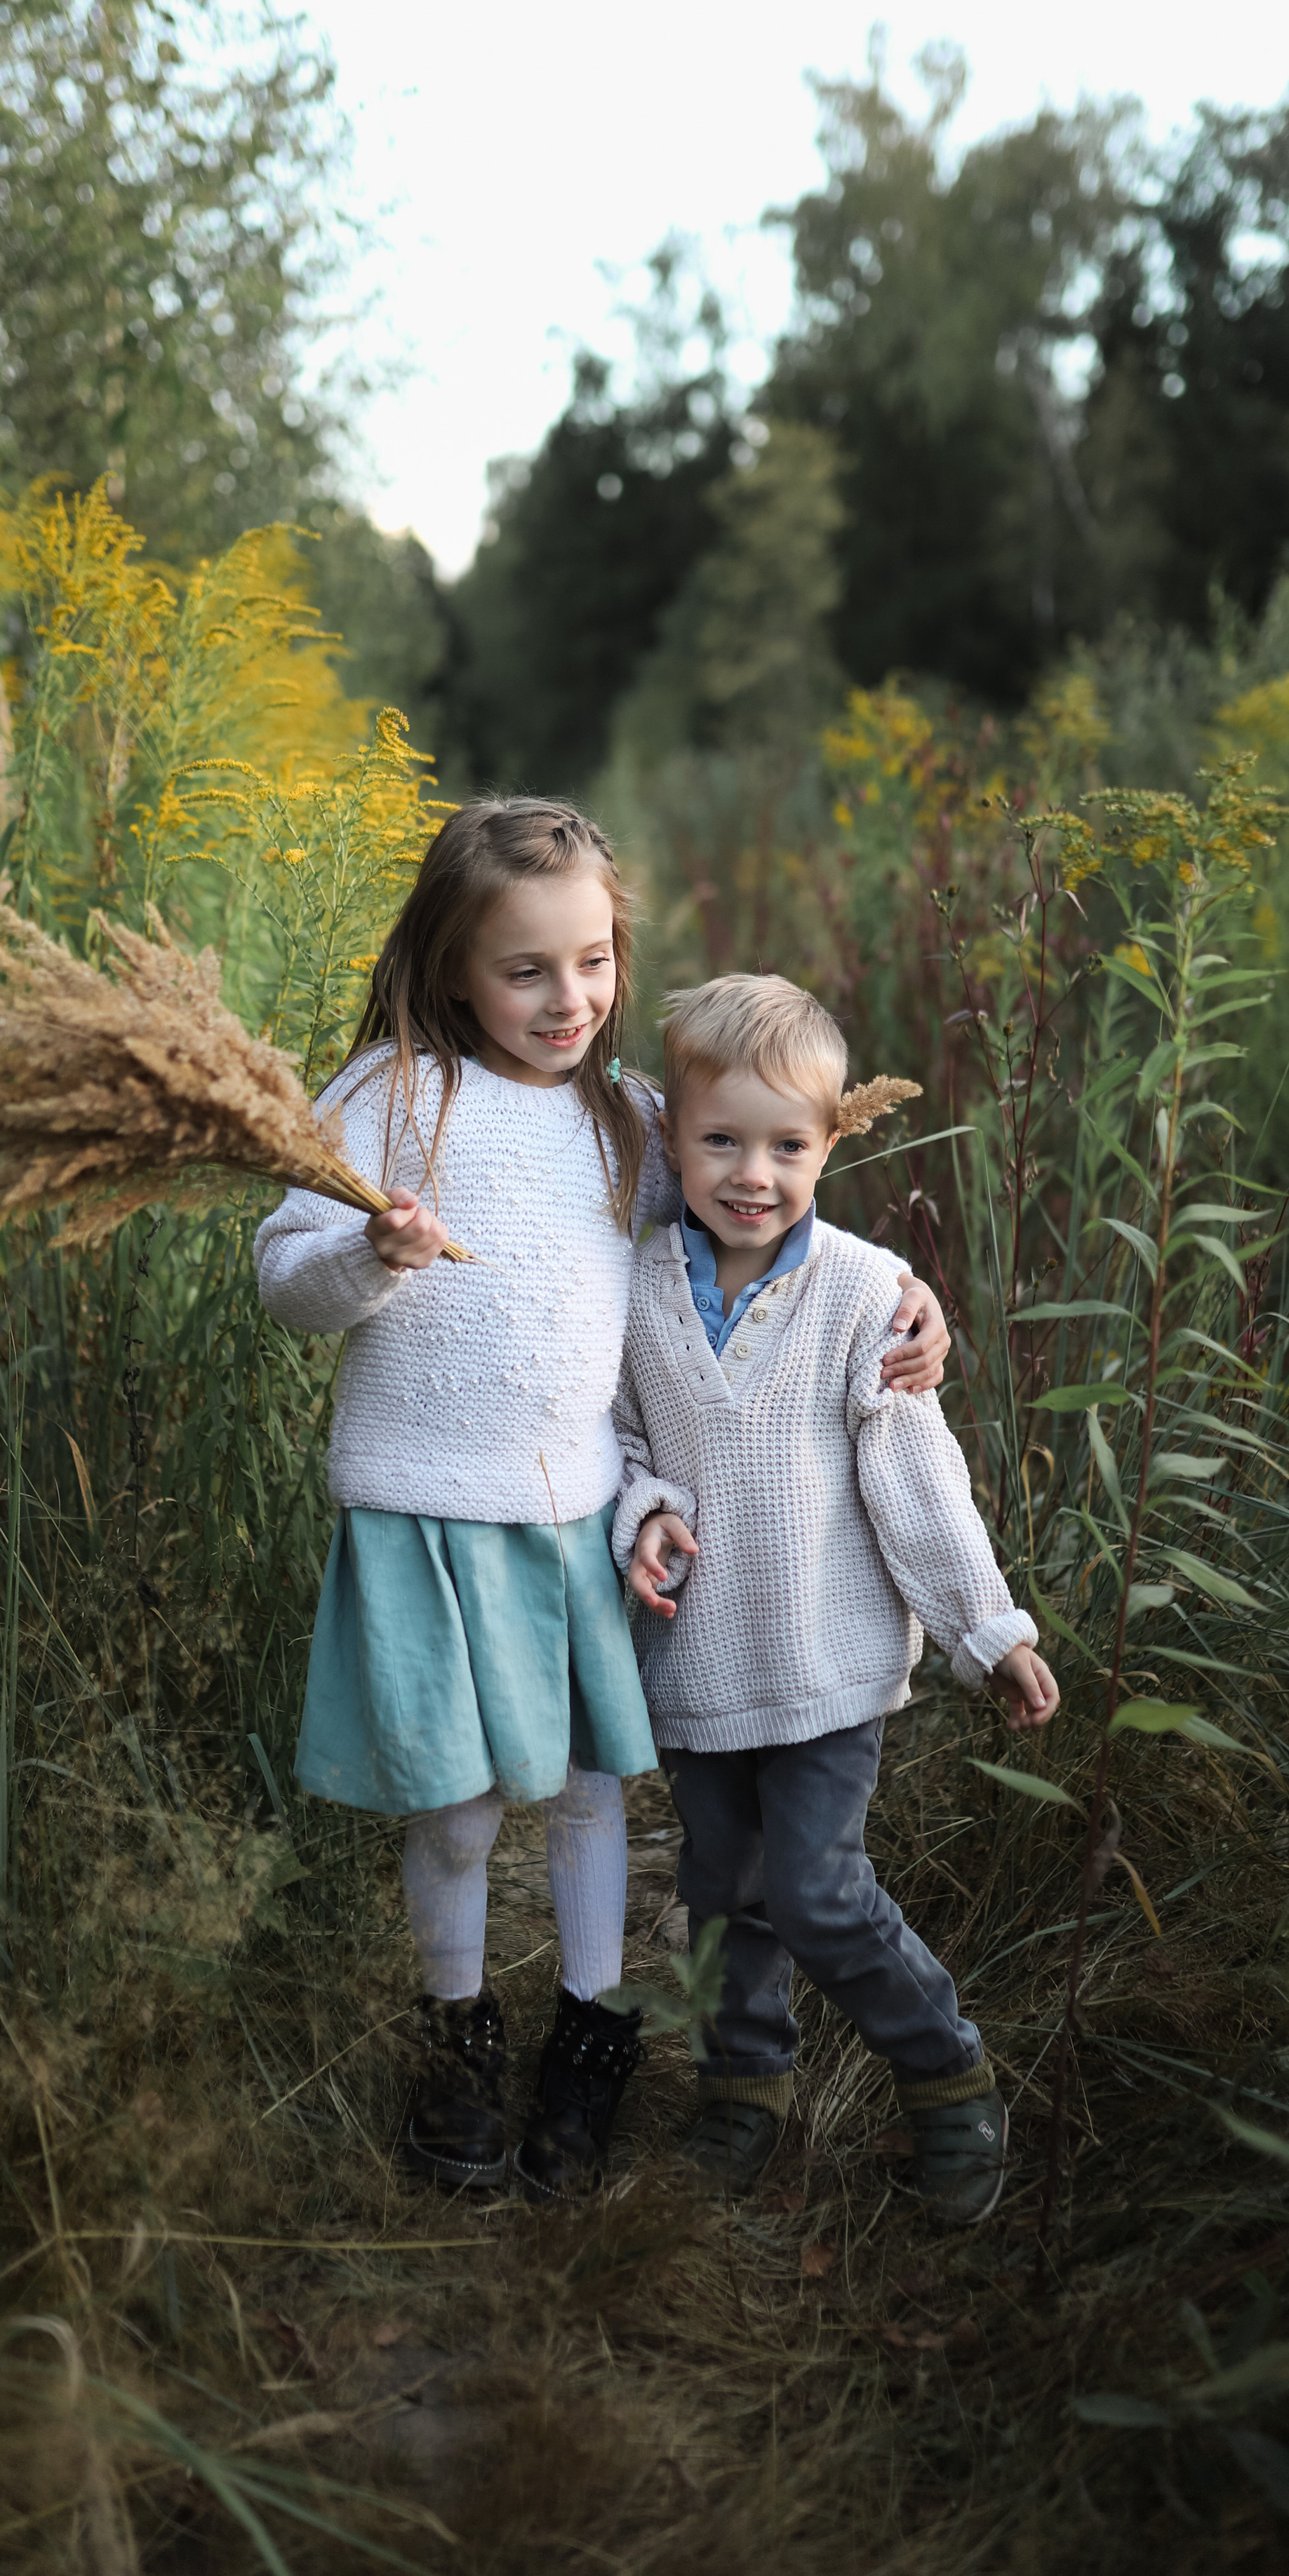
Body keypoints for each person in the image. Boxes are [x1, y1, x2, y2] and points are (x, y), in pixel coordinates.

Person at [254, 801, 953, 2200]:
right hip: (420, 1516)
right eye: (525, 971)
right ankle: (457, 2027)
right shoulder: (385, 1099)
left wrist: (907, 1297)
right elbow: (284, 1282)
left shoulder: (627, 1121)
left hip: (573, 1514)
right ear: (455, 966)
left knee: (587, 1793)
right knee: (452, 1809)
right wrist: (373, 1257)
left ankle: (593, 2031)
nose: (566, 999)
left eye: (591, 962)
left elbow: (762, 1229)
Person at [613, 973, 1060, 2223]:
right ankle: (743, 2086)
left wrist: (988, 1632)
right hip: (699, 1656)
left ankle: (944, 2070)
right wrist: (640, 1514)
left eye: (788, 1147)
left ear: (829, 1142)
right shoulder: (637, 1290)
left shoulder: (868, 1293)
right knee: (721, 1888)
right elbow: (620, 1443)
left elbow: (917, 1479)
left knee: (814, 1887)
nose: (752, 1174)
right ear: (672, 1141)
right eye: (720, 1142)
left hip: (824, 1658)